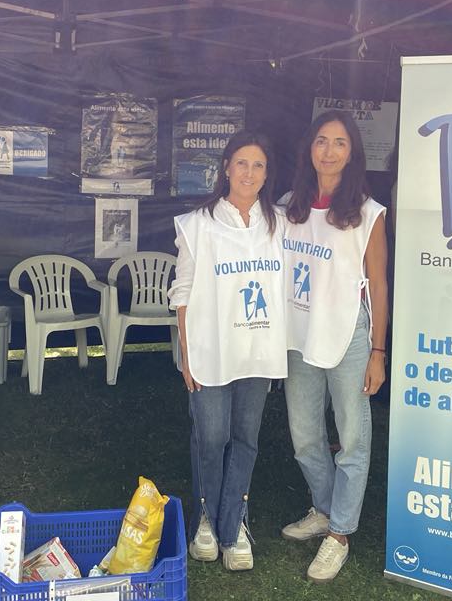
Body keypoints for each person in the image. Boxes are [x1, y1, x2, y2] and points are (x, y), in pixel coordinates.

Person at [168, 131, 288, 571]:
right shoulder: (197, 225)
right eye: (241, 163)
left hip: (258, 351)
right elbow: (182, 292)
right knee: (212, 436)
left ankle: (234, 523)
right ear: (226, 168)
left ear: (267, 174)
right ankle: (205, 517)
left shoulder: (281, 224)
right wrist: (187, 353)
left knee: (245, 439)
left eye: (258, 165)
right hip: (211, 350)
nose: (249, 173)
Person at [280, 110, 389, 582]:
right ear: (309, 148)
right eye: (321, 140)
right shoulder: (288, 208)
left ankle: (340, 533)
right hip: (299, 336)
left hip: (348, 335)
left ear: (352, 153)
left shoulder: (368, 213)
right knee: (305, 437)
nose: (329, 151)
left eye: (340, 142)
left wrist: (378, 351)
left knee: (352, 438)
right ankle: (325, 510)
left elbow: (378, 284)